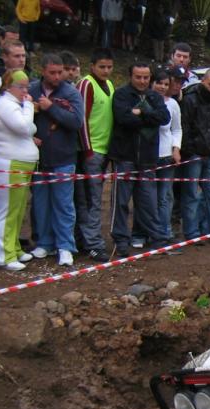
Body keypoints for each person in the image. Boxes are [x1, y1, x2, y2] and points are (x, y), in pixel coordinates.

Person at [108, 62, 170, 257]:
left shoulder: (154, 96)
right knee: (121, 202)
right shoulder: (121, 94)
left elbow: (164, 117)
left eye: (146, 77)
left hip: (147, 158)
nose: (142, 81)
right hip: (125, 155)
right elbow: (124, 118)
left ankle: (156, 238)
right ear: (131, 76)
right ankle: (121, 239)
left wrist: (142, 111)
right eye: (138, 77)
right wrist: (148, 116)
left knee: (148, 201)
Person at [29, 54, 84, 267]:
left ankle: (65, 246)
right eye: (52, 72)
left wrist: (50, 107)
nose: (57, 76)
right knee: (41, 203)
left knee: (63, 204)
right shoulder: (32, 90)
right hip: (39, 158)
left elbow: (76, 121)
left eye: (60, 72)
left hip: (64, 156)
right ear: (43, 71)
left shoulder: (70, 92)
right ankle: (45, 242)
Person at [0, 70, 39, 271]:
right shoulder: (5, 104)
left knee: (17, 211)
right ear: (9, 86)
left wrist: (26, 112)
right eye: (22, 87)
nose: (26, 91)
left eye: (27, 86)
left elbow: (27, 127)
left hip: (21, 163)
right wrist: (28, 106)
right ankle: (3, 255)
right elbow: (25, 127)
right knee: (6, 210)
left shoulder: (14, 105)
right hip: (8, 163)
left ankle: (13, 248)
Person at [75, 47, 115, 262]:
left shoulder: (109, 85)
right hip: (92, 151)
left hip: (105, 149)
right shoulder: (86, 84)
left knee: (95, 198)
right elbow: (81, 119)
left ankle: (87, 238)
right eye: (102, 67)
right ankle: (92, 243)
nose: (106, 71)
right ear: (92, 66)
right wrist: (87, 149)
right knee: (90, 200)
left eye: (109, 67)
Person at [179, 68, 210, 241]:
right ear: (203, 81)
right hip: (194, 154)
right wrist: (190, 149)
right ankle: (192, 233)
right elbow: (185, 126)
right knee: (191, 194)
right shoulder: (190, 99)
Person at [151, 69, 181, 241]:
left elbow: (177, 129)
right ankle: (148, 232)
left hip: (166, 156)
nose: (162, 87)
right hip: (148, 157)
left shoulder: (173, 104)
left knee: (165, 197)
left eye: (166, 84)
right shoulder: (145, 100)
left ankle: (165, 231)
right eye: (159, 83)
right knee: (148, 197)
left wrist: (176, 148)